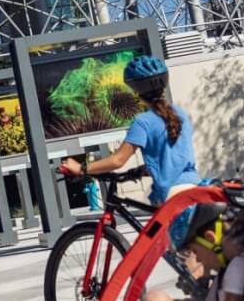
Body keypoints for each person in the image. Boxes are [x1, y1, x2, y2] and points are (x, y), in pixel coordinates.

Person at [59, 55, 199, 204]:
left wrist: (82, 168)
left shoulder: (143, 122)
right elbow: (175, 156)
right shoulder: (180, 114)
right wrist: (144, 169)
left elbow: (117, 160)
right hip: (194, 187)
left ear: (135, 91)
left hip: (172, 194)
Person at [136, 202, 244, 301]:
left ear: (210, 239)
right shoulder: (242, 259)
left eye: (195, 251)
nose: (198, 258)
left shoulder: (236, 268)